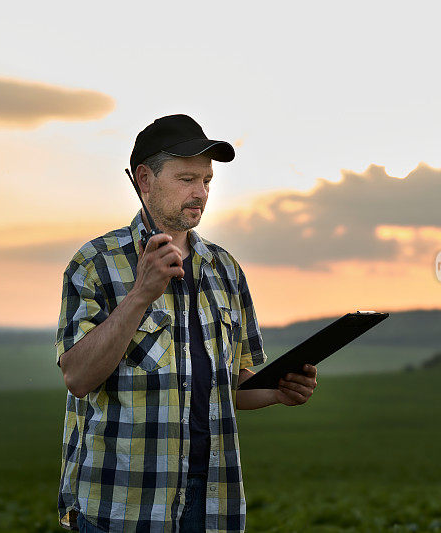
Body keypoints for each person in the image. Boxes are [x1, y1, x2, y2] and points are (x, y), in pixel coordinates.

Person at [54, 114, 318, 533]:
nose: (200, 193)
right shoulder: (95, 263)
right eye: (187, 179)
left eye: (207, 181)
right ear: (144, 179)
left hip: (212, 501)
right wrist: (141, 293)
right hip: (123, 504)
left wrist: (278, 392)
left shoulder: (225, 269)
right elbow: (78, 376)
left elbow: (228, 388)